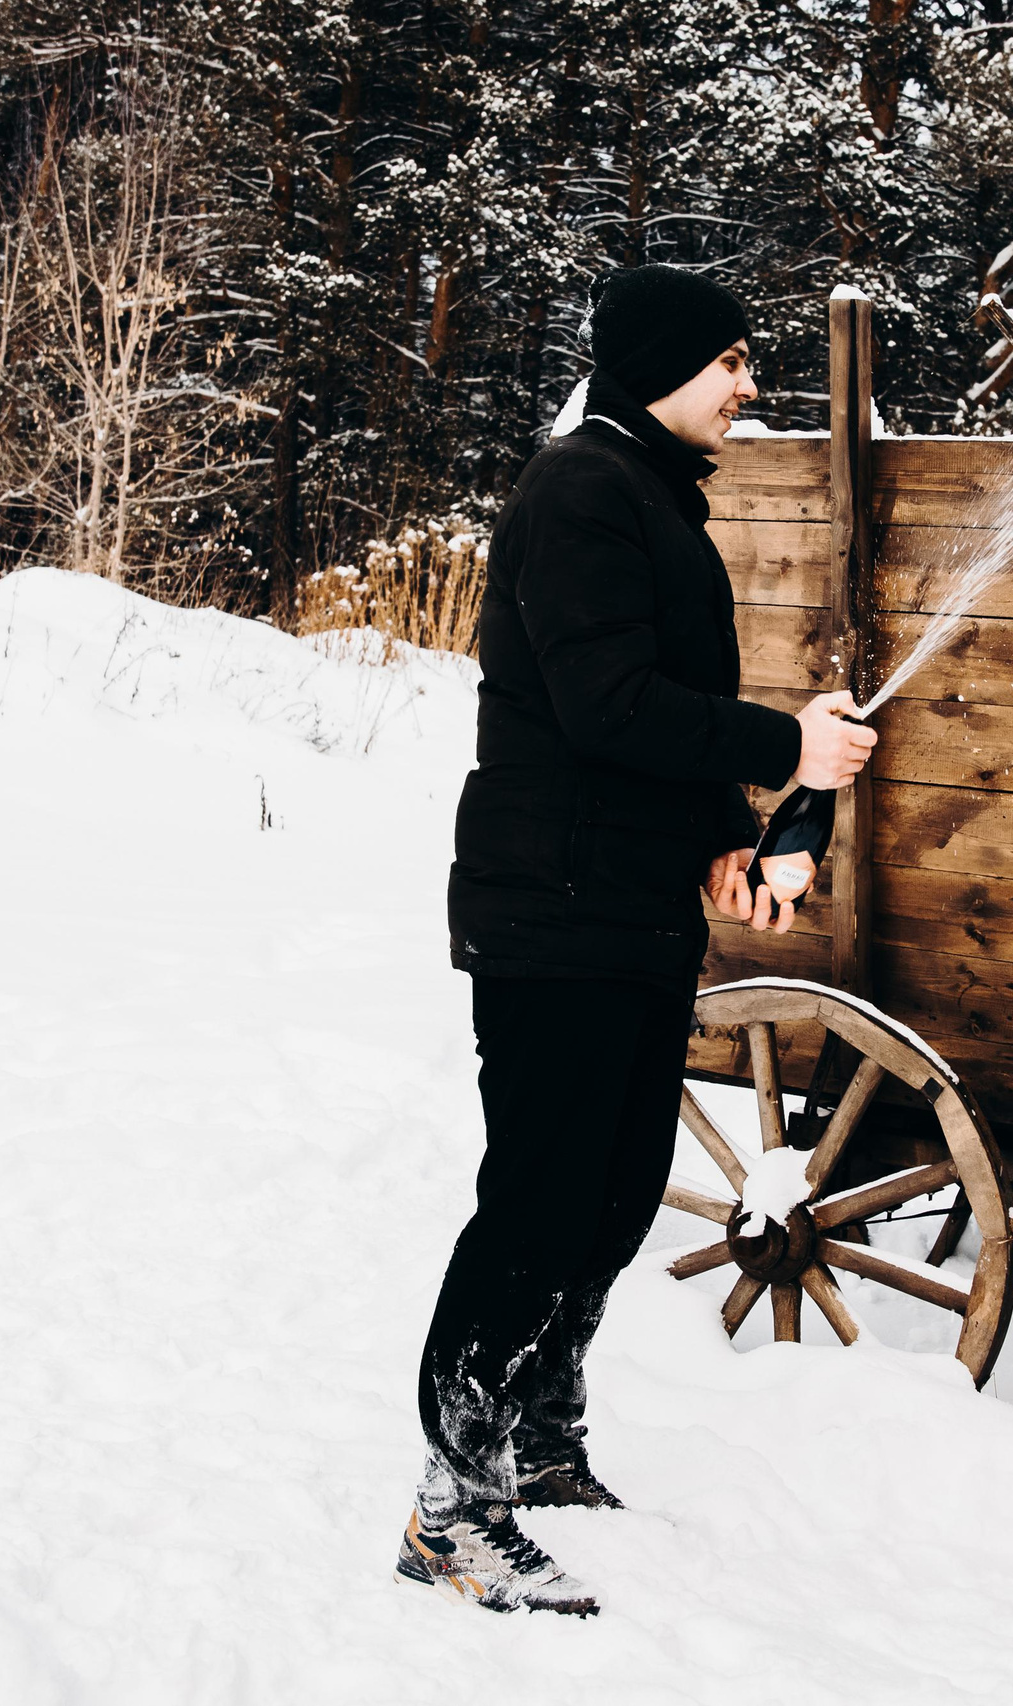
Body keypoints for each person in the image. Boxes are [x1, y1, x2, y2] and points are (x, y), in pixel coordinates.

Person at [399, 264, 876, 1615]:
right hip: (551, 912)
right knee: (542, 1200)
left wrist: (725, 836)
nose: (746, 384)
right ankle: (451, 1507)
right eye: (727, 361)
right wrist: (788, 741)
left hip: (626, 905)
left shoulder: (649, 497)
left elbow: (647, 728)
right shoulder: (581, 491)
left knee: (613, 1193)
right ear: (660, 363)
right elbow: (608, 704)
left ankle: (538, 1441)